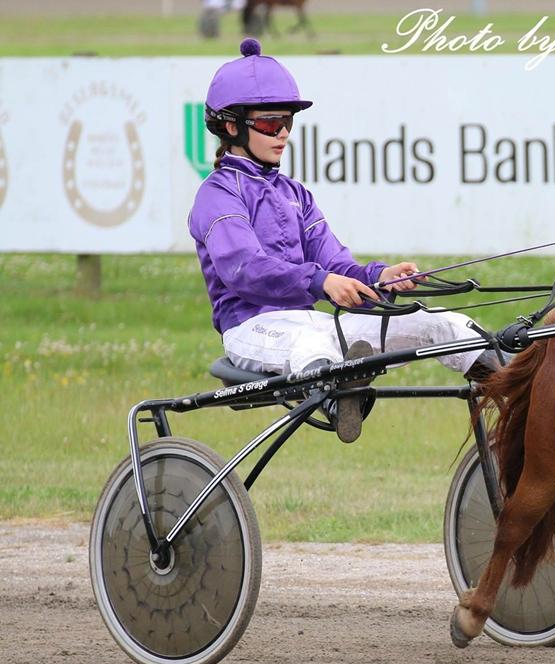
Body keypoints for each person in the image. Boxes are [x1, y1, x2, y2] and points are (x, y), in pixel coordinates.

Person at [189, 39, 498, 443]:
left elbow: (336, 265)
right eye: (269, 123)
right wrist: (319, 283)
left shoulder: (295, 194)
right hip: (253, 329)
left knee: (442, 324)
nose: (282, 133)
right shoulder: (217, 194)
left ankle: (522, 387)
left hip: (313, 323)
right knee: (314, 345)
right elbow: (243, 268)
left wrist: (381, 277)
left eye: (288, 122)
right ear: (232, 126)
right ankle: (341, 398)